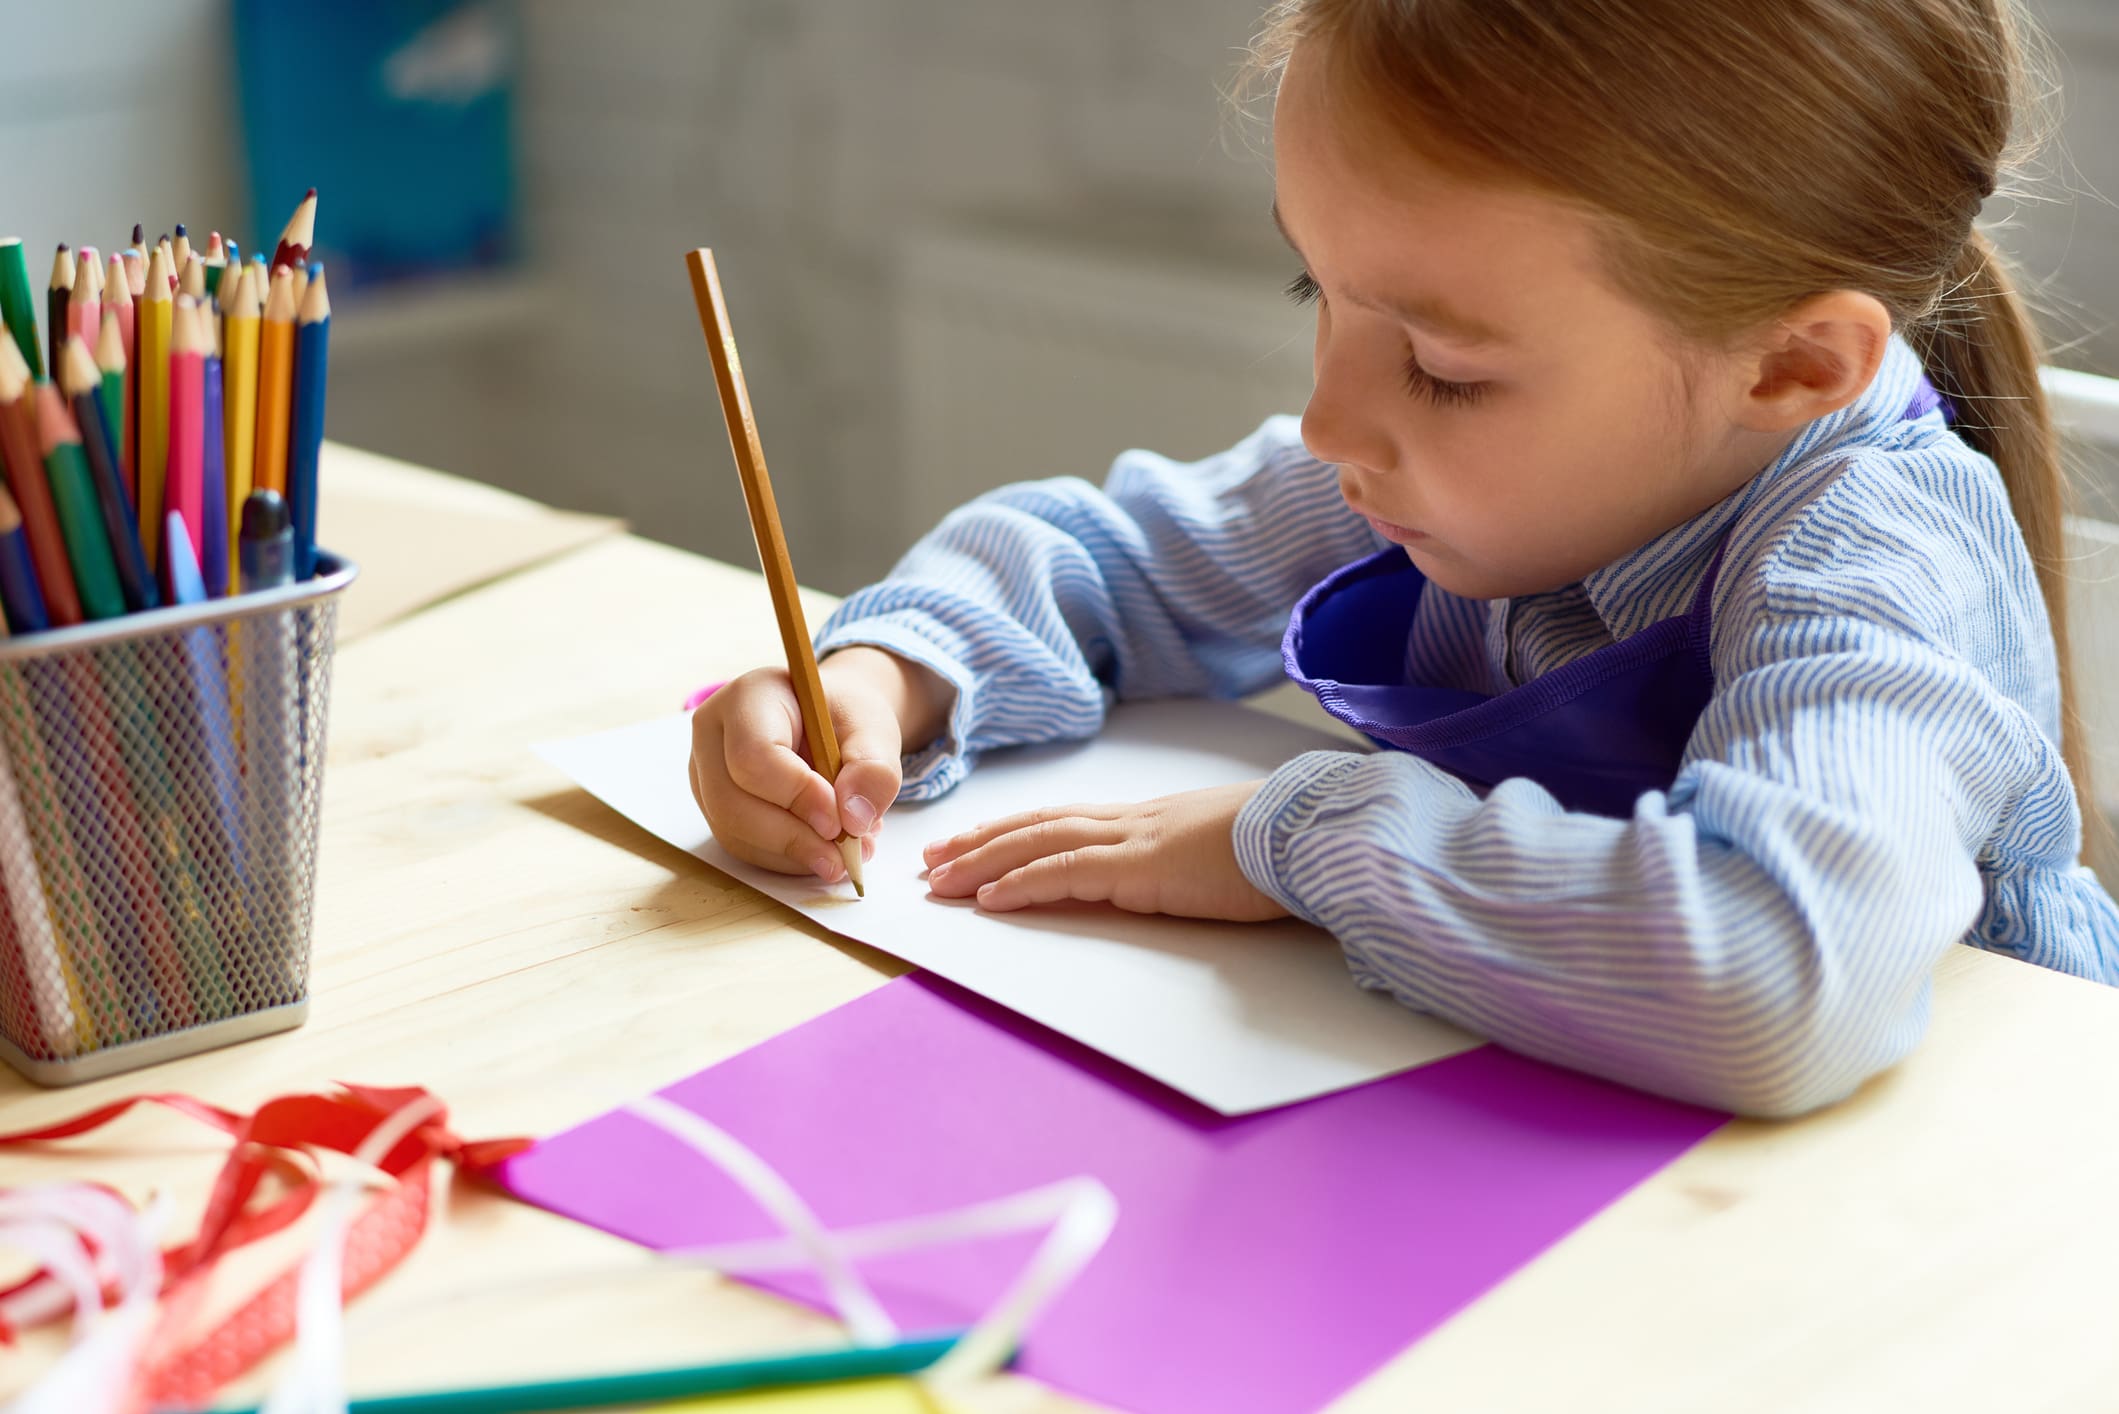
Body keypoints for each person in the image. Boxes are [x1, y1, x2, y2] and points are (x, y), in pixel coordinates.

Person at [688, 0, 2119, 1116]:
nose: (1328, 419)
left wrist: (1299, 836)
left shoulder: (1877, 560)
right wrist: (888, 675)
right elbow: (1109, 559)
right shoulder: (1458, 459)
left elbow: (1769, 973)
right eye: (1319, 288)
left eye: (1438, 362)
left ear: (1797, 363)